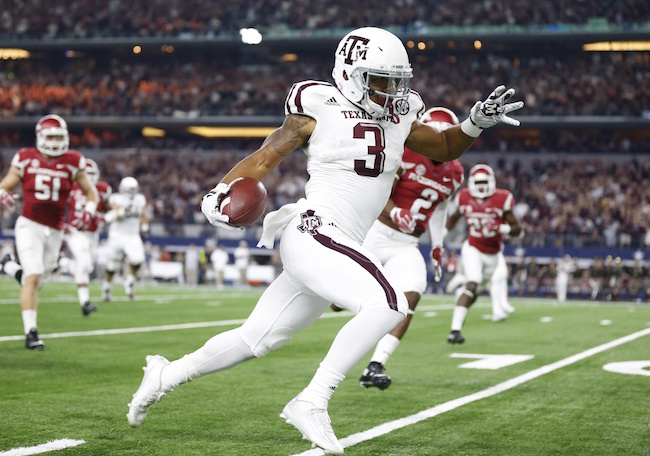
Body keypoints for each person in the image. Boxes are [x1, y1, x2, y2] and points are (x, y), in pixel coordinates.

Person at [126, 27, 523, 455]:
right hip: (315, 228)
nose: (392, 90)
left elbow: (444, 146)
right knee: (389, 304)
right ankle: (312, 400)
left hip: (340, 242)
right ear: (351, 73)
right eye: (381, 79)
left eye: (397, 80)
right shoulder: (319, 104)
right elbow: (267, 155)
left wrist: (474, 123)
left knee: (256, 339)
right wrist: (220, 191)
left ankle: (164, 375)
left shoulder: (401, 112)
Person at [352, 106, 464, 390]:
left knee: (411, 296)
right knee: (338, 302)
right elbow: (376, 192)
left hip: (407, 243)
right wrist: (395, 211)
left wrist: (437, 243)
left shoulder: (455, 171)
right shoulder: (404, 153)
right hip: (376, 233)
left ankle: (375, 365)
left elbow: (439, 208)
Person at [0, 114, 99, 350]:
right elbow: (5, 185)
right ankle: (31, 333)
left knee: (37, 282)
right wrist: (2, 194)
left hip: (55, 230)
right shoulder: (25, 157)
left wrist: (89, 211)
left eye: (58, 137)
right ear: (40, 137)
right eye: (50, 137)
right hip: (29, 225)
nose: (54, 142)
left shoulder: (73, 160)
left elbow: (91, 192)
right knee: (33, 276)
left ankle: (8, 266)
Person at [445, 163, 523, 344]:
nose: (481, 187)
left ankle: (461, 292)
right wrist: (440, 237)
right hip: (472, 247)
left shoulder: (502, 198)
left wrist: (500, 228)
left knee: (476, 291)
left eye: (484, 183)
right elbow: (453, 218)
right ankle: (455, 330)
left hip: (493, 255)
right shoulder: (464, 197)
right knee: (473, 281)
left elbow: (518, 230)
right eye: (478, 183)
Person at [65, 158, 112, 315]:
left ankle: (84, 303)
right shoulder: (71, 186)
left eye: (92, 174)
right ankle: (61, 262)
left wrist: (104, 218)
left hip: (93, 235)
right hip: (76, 231)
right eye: (87, 173)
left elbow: (111, 210)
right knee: (85, 264)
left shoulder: (102, 189)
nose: (90, 177)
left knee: (85, 268)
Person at [102, 176, 148, 302]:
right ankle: (106, 287)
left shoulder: (140, 199)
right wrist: (121, 212)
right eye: (128, 189)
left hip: (132, 235)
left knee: (138, 259)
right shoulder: (117, 198)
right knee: (112, 265)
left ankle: (129, 281)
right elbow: (116, 214)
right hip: (117, 235)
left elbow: (143, 214)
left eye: (132, 189)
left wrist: (145, 226)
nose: (130, 192)